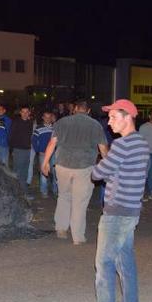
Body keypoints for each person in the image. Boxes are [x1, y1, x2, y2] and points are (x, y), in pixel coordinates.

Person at [90, 99, 150, 302]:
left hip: (116, 210)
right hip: (132, 209)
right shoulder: (141, 143)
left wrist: (103, 168)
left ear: (128, 118)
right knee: (125, 261)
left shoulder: (123, 145)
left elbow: (97, 173)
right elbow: (115, 170)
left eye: (114, 117)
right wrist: (110, 171)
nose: (109, 122)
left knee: (104, 263)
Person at [41, 101, 108, 244]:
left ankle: (61, 228)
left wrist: (45, 162)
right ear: (88, 111)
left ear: (75, 109)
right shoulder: (95, 125)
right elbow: (103, 148)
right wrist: (108, 166)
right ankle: (77, 236)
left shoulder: (62, 122)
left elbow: (52, 143)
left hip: (63, 165)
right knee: (80, 201)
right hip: (84, 167)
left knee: (64, 196)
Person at [32, 111, 57, 198]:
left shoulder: (55, 128)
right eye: (45, 117)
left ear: (51, 117)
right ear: (43, 117)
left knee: (55, 172)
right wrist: (38, 150)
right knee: (44, 172)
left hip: (53, 153)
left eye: (49, 117)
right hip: (43, 153)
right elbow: (34, 140)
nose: (47, 119)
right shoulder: (38, 128)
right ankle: (44, 191)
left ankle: (55, 191)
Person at [10, 105, 34, 192]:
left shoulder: (30, 123)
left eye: (26, 112)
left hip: (27, 150)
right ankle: (15, 190)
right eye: (23, 112)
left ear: (29, 113)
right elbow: (11, 136)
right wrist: (12, 150)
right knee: (17, 171)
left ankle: (23, 191)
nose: (24, 114)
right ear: (20, 113)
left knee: (25, 171)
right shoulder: (16, 122)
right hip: (18, 150)